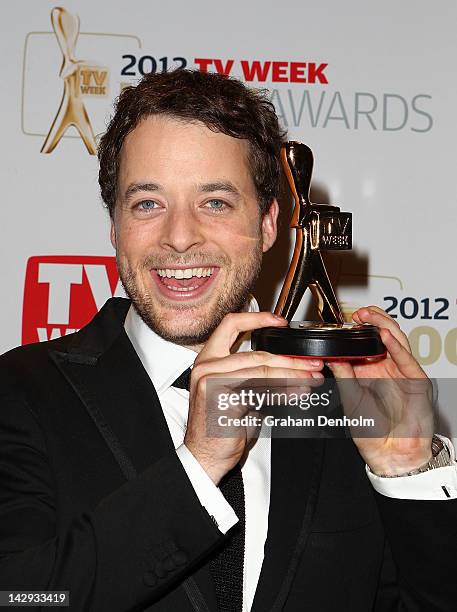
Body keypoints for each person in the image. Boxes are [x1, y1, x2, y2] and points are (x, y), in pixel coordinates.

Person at [0, 69, 456, 612]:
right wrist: (197, 469)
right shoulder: (23, 393)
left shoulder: (348, 408)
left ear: (268, 225)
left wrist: (408, 474)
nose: (179, 236)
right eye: (147, 203)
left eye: (215, 202)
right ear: (115, 226)